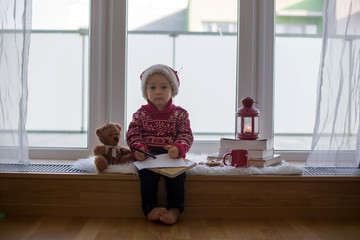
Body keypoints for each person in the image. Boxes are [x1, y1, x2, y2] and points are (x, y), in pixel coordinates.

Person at [126, 64, 193, 225]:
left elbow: (186, 135)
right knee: (147, 176)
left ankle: (175, 208)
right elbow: (133, 133)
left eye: (164, 87)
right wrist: (139, 149)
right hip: (148, 153)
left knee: (177, 176)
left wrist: (178, 148)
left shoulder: (180, 114)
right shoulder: (140, 114)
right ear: (145, 91)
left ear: (173, 90)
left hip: (171, 154)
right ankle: (149, 208)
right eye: (152, 87)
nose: (158, 91)